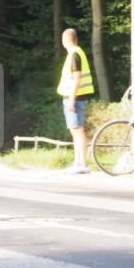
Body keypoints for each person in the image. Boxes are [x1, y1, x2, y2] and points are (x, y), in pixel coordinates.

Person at [57, 28, 95, 173]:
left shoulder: (74, 54)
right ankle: (78, 163)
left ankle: (82, 164)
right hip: (76, 97)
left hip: (75, 98)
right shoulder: (77, 53)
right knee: (76, 130)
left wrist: (71, 99)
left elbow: (77, 77)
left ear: (65, 41)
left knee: (78, 130)